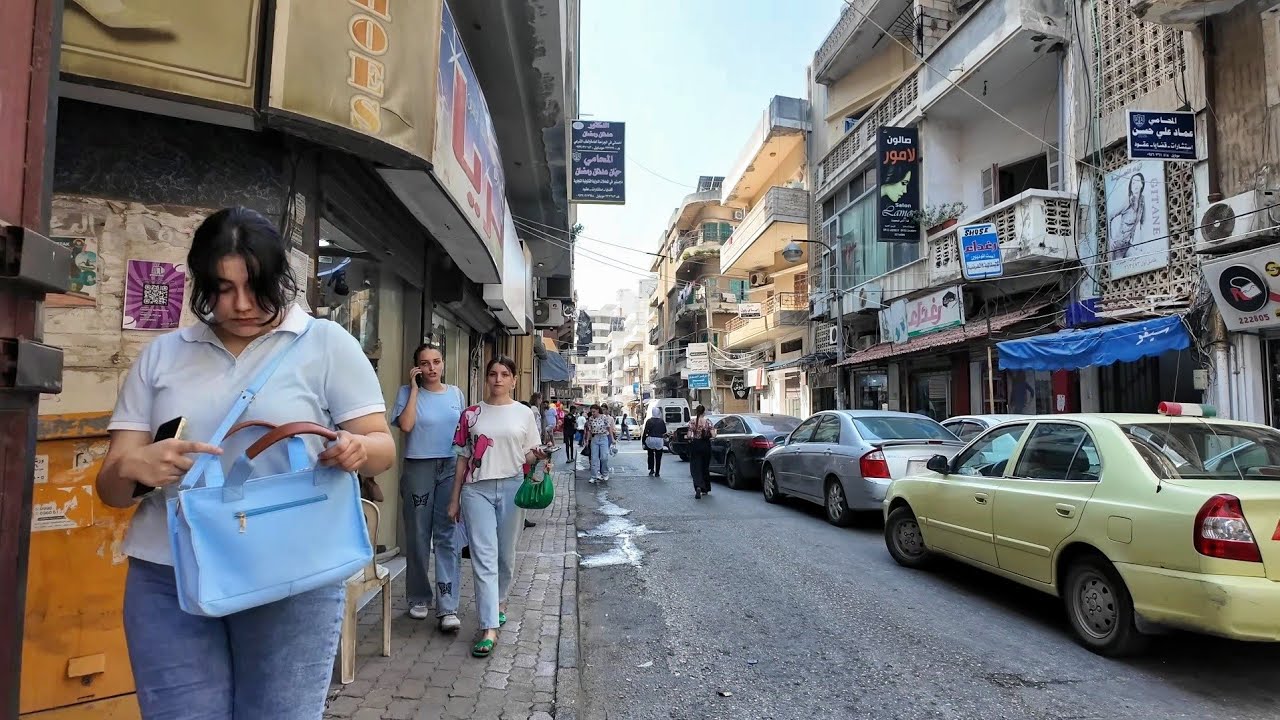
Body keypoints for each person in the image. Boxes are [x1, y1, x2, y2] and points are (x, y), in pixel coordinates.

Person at [96, 207, 395, 718]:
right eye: (223, 288)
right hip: (169, 574)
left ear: (280, 278)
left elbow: (381, 446)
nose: (240, 304)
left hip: (292, 572)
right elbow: (110, 488)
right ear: (201, 285)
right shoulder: (164, 355)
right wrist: (133, 468)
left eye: (255, 287)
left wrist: (357, 449)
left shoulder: (324, 344)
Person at [449, 356, 550, 659]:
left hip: (512, 488)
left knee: (506, 555)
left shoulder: (524, 413)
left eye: (505, 374)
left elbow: (527, 454)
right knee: (483, 557)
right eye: (493, 373)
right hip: (475, 490)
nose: (498, 379)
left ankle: (500, 601)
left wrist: (540, 456)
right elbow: (462, 458)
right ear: (486, 378)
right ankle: (488, 627)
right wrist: (454, 498)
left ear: (514, 380)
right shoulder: (471, 414)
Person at [392, 343, 465, 631]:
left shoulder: (456, 393)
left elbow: (462, 433)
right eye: (425, 363)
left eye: (436, 361)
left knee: (447, 534)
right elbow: (406, 425)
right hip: (418, 467)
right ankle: (419, 597)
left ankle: (448, 606)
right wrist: (413, 389)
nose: (432, 368)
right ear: (417, 368)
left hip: (450, 466)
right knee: (418, 534)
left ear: (443, 363)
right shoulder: (406, 393)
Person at [687, 404, 716, 499]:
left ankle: (698, 486)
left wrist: (692, 437)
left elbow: (689, 435)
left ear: (696, 411)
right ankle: (705, 488)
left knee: (696, 467)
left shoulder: (692, 422)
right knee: (705, 467)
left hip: (696, 445)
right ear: (704, 412)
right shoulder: (708, 422)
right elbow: (713, 435)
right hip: (706, 445)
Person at [585, 404, 616, 483]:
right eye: (592, 412)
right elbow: (589, 430)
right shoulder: (590, 419)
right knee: (594, 458)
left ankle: (605, 473)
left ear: (598, 410)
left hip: (603, 437)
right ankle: (594, 476)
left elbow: (609, 428)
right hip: (594, 438)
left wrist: (612, 438)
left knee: (604, 457)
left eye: (594, 411)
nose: (593, 413)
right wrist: (587, 440)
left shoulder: (604, 417)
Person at [641, 407, 667, 477]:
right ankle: (657, 472)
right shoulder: (661, 421)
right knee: (658, 457)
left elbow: (645, 431)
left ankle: (651, 469)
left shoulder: (649, 421)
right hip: (659, 440)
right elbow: (664, 431)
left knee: (650, 455)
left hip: (651, 439)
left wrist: (643, 441)